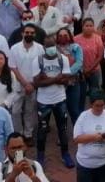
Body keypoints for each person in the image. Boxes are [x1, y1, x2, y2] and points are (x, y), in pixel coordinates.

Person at [32, 34, 75, 169]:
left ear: (56, 45)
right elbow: (36, 83)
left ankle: (65, 154)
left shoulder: (63, 59)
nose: (51, 48)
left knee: (63, 129)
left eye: (53, 45)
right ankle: (40, 156)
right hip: (43, 101)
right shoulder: (38, 61)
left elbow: (67, 80)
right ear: (44, 47)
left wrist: (46, 79)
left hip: (60, 99)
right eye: (48, 46)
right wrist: (57, 78)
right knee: (42, 130)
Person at [71, 95, 105, 182]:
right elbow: (77, 139)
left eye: (102, 105)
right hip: (86, 165)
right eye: (97, 105)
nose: (100, 108)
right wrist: (95, 137)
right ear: (91, 105)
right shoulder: (83, 116)